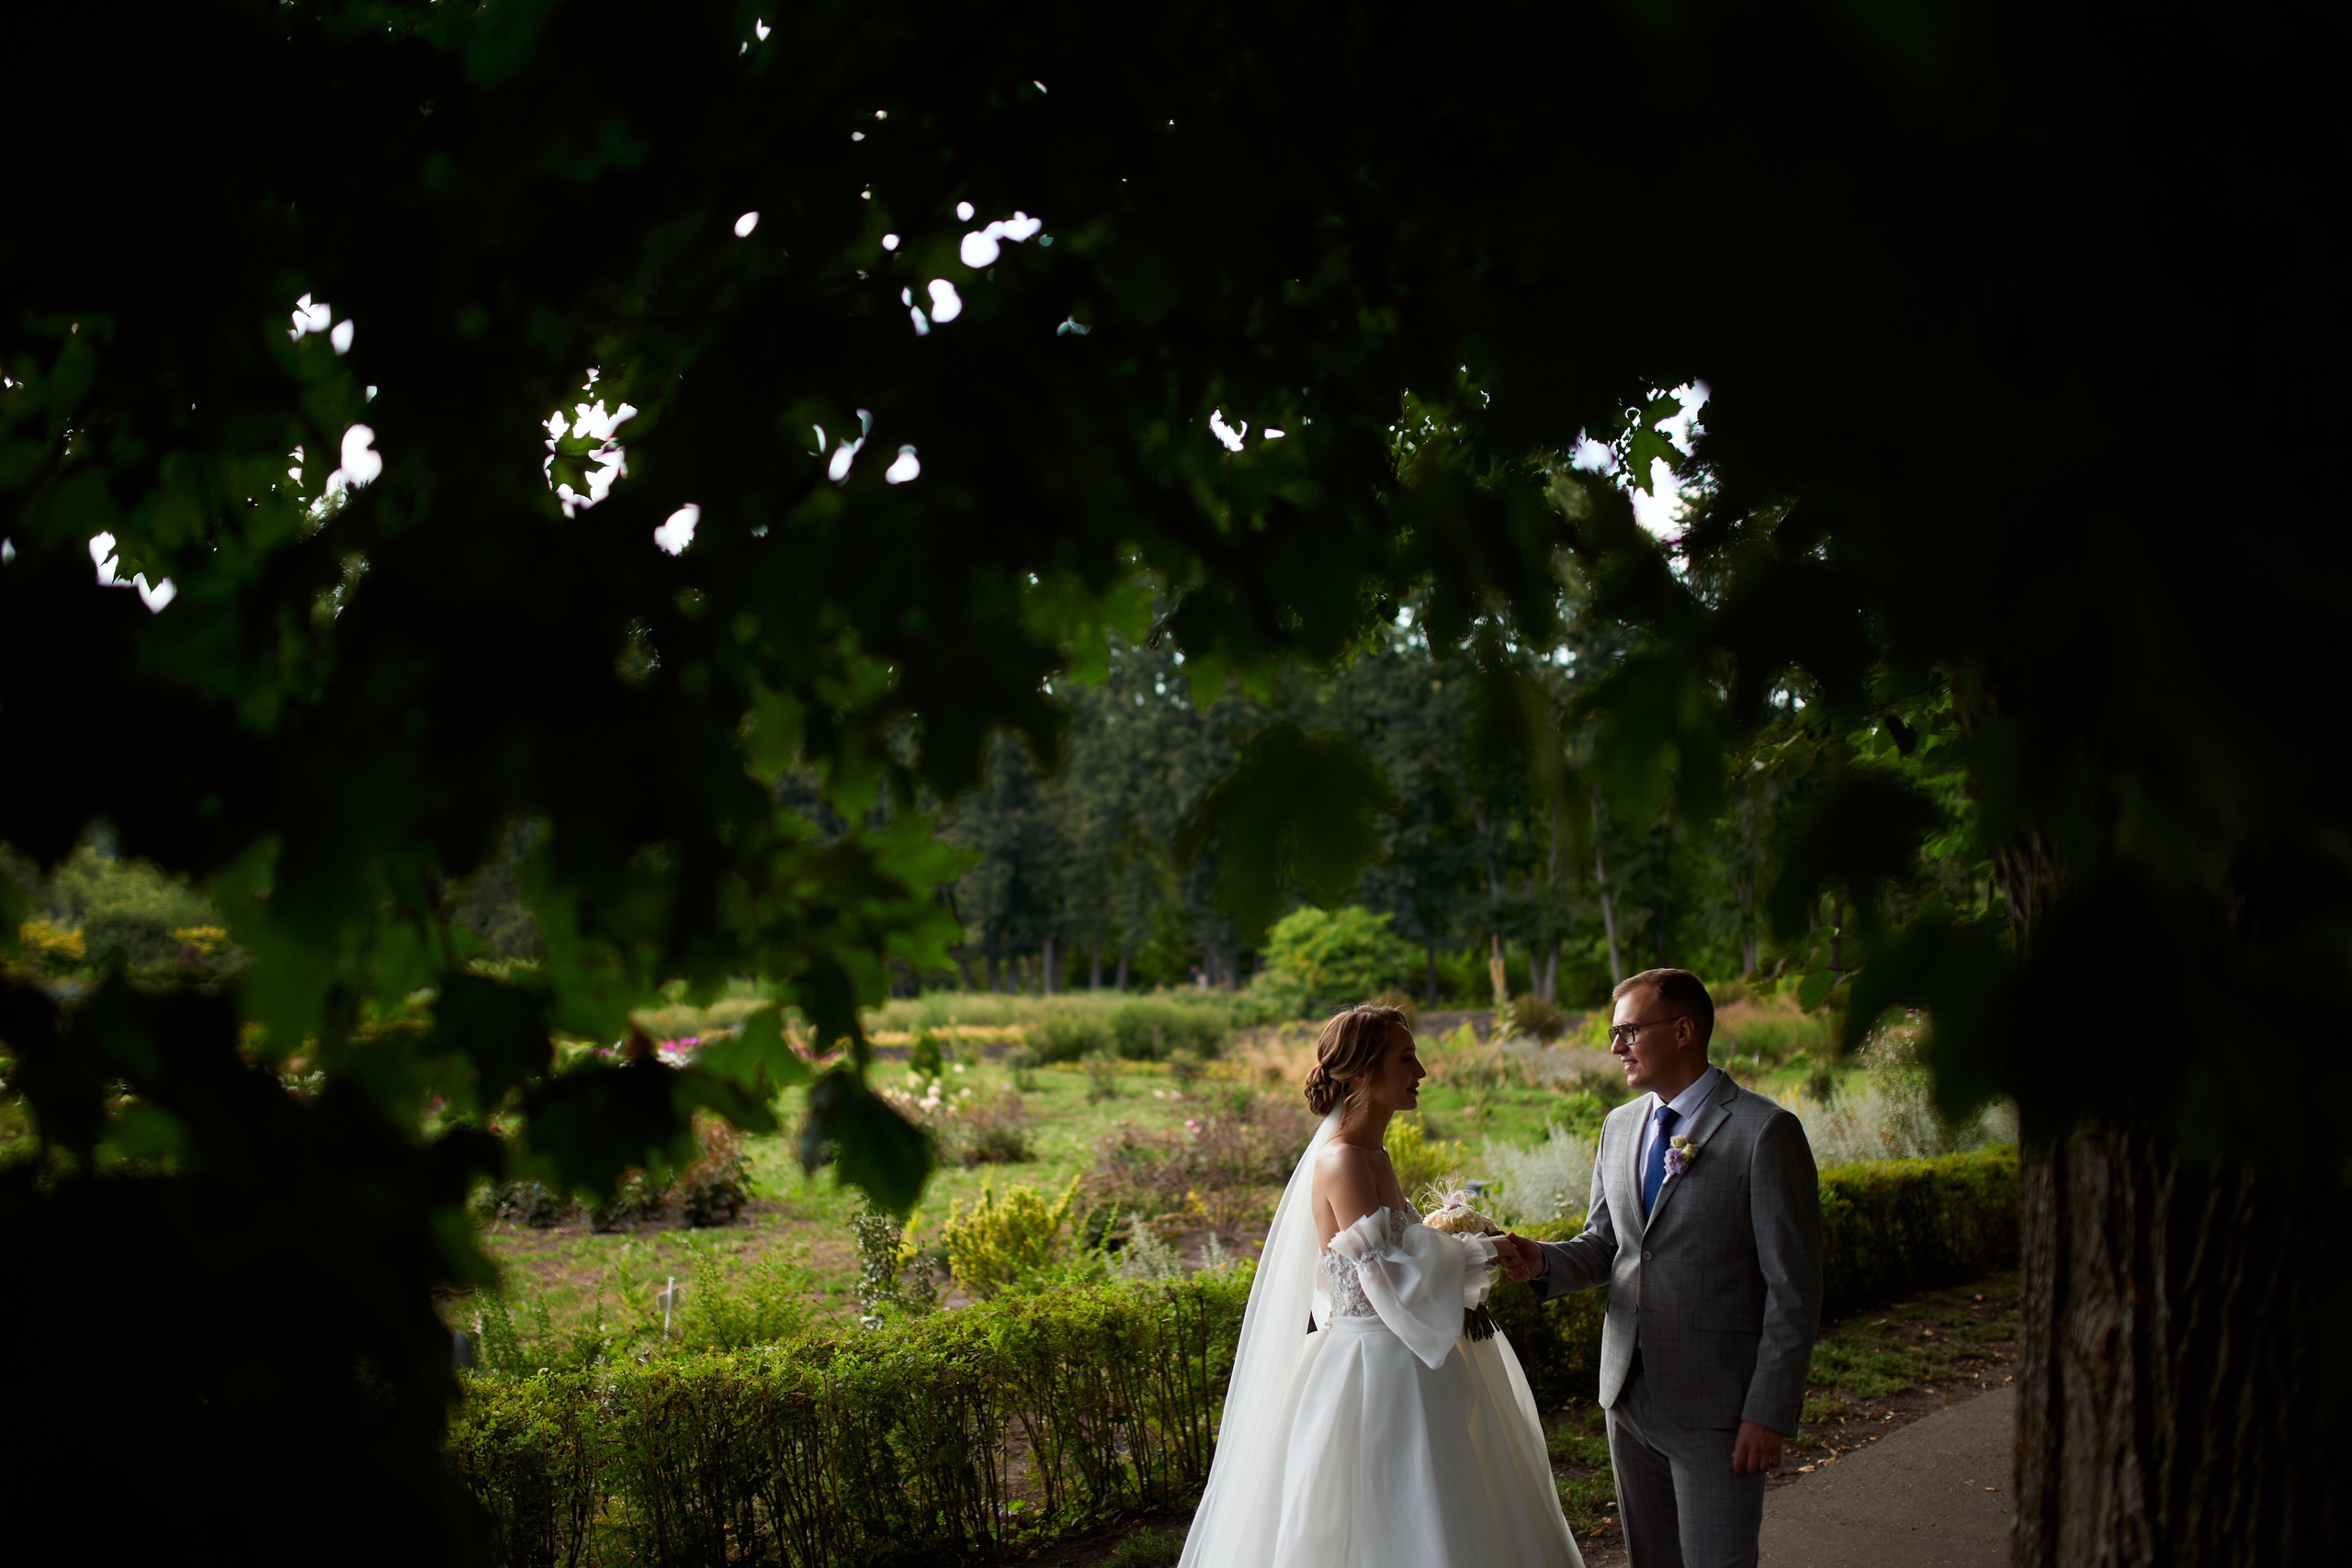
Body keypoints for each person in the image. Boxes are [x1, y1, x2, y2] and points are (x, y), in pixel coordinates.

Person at [1179, 1005, 1582, 1568]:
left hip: (1411, 1357)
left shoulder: (1375, 1154)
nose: (1422, 1071)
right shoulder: (1342, 1160)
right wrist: (1484, 1249)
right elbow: (1392, 1274)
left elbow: (1406, 1259)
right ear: (1362, 1071)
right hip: (1374, 1370)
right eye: (1407, 1057)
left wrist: (1470, 1242)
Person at [1493, 969, 1822, 1568]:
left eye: (1628, 1031)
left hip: (1718, 1408)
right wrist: (1541, 1257)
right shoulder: (1619, 1127)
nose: (1615, 1046)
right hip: (1627, 1399)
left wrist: (1768, 1411)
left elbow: (1792, 1292)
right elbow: (1607, 1245)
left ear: (1683, 1030)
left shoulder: (1764, 1132)